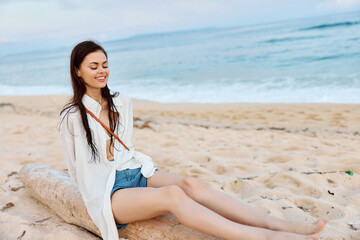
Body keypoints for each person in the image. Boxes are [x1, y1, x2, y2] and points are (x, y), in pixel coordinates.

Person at [59, 40, 329, 240]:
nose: (101, 71)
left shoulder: (121, 102)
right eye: (93, 66)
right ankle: (262, 237)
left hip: (134, 171)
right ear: (78, 71)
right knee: (173, 194)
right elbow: (76, 166)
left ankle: (276, 224)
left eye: (105, 65)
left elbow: (123, 149)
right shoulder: (72, 117)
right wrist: (90, 199)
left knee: (191, 183)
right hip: (110, 191)